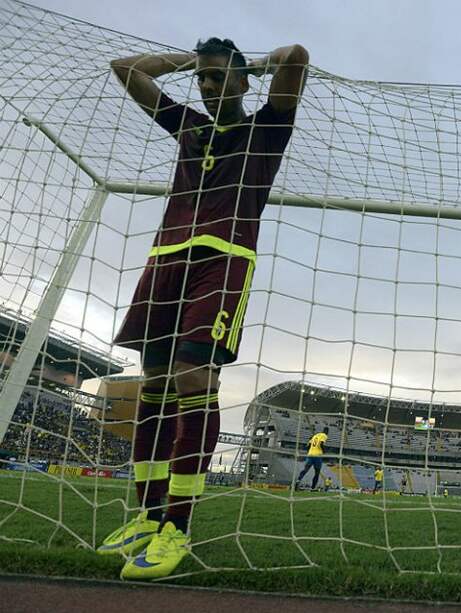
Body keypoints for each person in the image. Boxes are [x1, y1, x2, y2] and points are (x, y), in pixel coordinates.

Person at [98, 37, 308, 581]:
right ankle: (146, 514)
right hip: (166, 258)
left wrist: (252, 65)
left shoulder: (266, 129)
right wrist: (192, 62)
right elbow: (126, 69)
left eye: (220, 79)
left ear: (242, 82)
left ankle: (178, 527)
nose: (210, 88)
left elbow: (297, 56)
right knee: (155, 383)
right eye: (203, 81)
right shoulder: (187, 125)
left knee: (194, 377)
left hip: (224, 260)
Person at [297, 426, 330, 491]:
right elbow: (321, 444)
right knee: (317, 473)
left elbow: (308, 445)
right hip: (317, 456)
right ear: (327, 432)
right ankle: (313, 487)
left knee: (305, 470)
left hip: (310, 455)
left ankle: (298, 480)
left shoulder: (315, 435)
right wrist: (324, 451)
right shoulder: (324, 435)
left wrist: (309, 452)